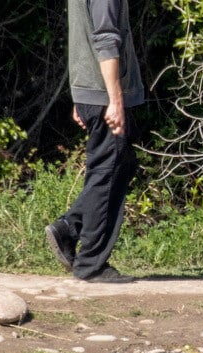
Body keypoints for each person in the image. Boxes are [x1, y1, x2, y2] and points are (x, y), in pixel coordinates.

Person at [45, 0, 144, 283]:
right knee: (108, 171)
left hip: (91, 92)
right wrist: (114, 99)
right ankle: (91, 263)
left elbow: (83, 38)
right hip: (102, 94)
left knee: (119, 165)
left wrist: (81, 96)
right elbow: (105, 39)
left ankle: (70, 227)